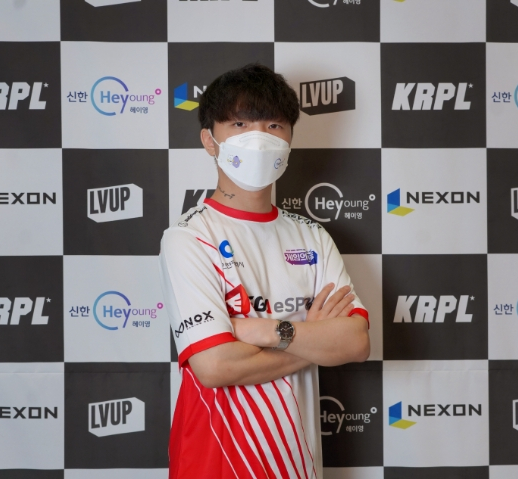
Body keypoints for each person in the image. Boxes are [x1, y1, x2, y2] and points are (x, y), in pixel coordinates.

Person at [158, 63, 370, 479]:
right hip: (215, 462)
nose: (258, 139)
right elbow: (216, 367)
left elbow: (355, 342)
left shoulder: (313, 236)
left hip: (296, 463)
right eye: (239, 124)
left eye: (273, 125)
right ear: (209, 140)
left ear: (290, 139)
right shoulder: (188, 238)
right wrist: (311, 338)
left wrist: (269, 331)